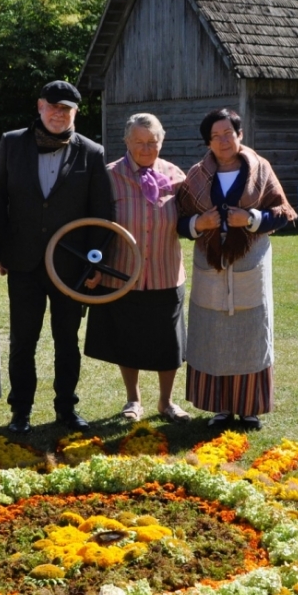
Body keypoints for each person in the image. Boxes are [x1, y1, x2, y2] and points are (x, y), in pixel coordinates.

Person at [0, 80, 114, 433]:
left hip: (70, 267)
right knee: (23, 340)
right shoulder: (12, 143)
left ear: (75, 113)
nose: (59, 114)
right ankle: (20, 411)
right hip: (23, 263)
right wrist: (2, 251)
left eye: (67, 109)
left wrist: (93, 263)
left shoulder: (92, 152)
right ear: (40, 106)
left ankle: (66, 409)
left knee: (66, 340)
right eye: (53, 107)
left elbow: (102, 213)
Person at [176, 108, 297, 430]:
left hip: (250, 260)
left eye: (228, 133)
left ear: (239, 135)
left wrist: (253, 219)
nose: (223, 141)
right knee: (212, 331)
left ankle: (249, 409)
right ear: (208, 142)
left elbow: (283, 214)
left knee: (250, 331)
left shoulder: (261, 169)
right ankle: (219, 408)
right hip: (210, 264)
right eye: (215, 136)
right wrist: (199, 223)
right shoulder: (197, 175)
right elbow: (178, 221)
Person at [84, 113, 191, 423]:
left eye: (152, 142)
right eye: (139, 142)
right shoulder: (108, 176)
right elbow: (94, 224)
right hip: (122, 273)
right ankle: (133, 400)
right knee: (126, 339)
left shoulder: (176, 176)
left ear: (162, 141)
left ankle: (167, 402)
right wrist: (97, 266)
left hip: (165, 271)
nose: (146, 148)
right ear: (127, 142)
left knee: (167, 343)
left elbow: (191, 220)